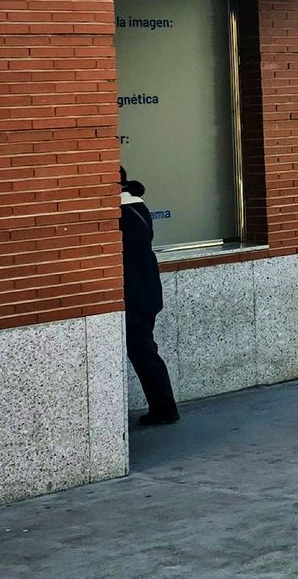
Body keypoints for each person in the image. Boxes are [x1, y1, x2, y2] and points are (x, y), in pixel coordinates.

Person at [120, 168, 178, 426]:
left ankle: (164, 408)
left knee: (142, 350)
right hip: (146, 290)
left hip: (136, 293)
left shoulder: (124, 214)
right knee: (144, 349)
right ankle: (163, 407)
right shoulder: (136, 208)